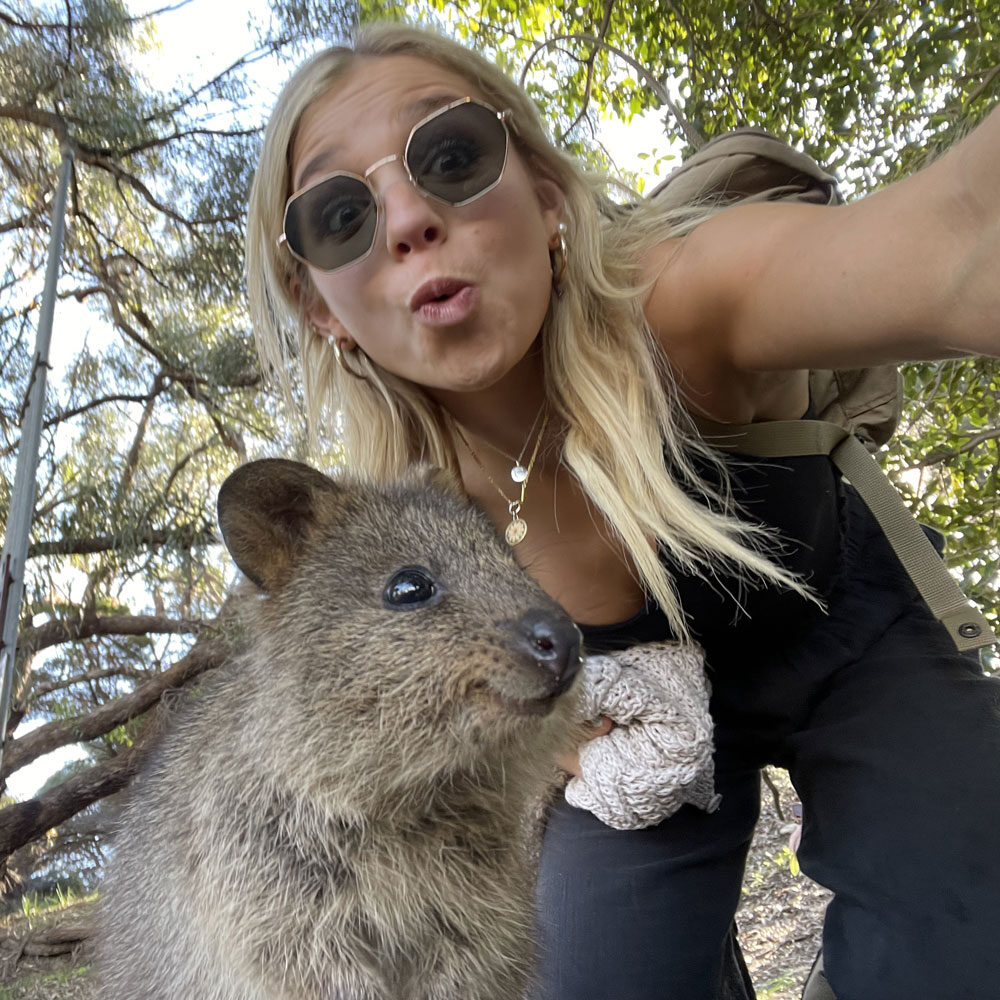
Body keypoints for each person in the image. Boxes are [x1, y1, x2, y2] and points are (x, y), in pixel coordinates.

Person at [245, 22, 1000, 1000]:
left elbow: (959, 242)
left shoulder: (682, 301)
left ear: (545, 194)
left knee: (964, 942)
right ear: (318, 304)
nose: (407, 218)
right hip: (641, 728)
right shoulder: (402, 533)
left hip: (847, 642)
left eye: (451, 156)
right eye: (339, 214)